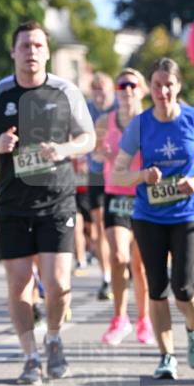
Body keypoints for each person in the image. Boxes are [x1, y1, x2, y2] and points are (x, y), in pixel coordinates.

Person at [0, 21, 95, 385]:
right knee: (19, 283)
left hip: (57, 201)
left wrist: (65, 149)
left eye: (38, 45)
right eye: (25, 46)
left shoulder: (65, 91)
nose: (31, 51)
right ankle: (30, 357)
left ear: (47, 51)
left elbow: (88, 137)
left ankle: (53, 338)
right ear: (13, 52)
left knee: (57, 283)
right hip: (13, 204)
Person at [112, 57, 194, 378]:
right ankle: (166, 355)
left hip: (188, 213)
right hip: (148, 215)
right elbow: (118, 174)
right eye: (156, 85)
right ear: (150, 89)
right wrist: (142, 175)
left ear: (177, 86)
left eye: (168, 85)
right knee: (157, 288)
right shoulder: (140, 124)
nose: (162, 91)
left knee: (182, 287)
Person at [94, 68, 154, 346]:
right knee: (118, 257)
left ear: (142, 90)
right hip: (115, 193)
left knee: (140, 266)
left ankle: (144, 320)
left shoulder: (150, 122)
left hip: (143, 195)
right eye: (122, 85)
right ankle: (120, 318)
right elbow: (94, 150)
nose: (127, 90)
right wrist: (101, 152)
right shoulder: (106, 121)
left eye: (132, 85)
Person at [86, 72, 116, 300]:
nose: (99, 94)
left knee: (120, 227)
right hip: (96, 174)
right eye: (95, 89)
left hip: (120, 176)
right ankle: (106, 276)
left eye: (102, 88)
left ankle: (124, 264)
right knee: (99, 227)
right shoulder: (86, 108)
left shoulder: (121, 105)